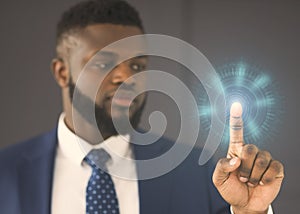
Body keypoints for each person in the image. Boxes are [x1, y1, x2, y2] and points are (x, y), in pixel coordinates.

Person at [0, 0, 284, 214]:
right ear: (62, 72)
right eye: (103, 62)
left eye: (136, 65)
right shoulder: (6, 173)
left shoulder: (196, 173)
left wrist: (252, 213)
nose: (126, 76)